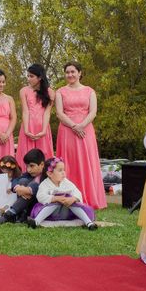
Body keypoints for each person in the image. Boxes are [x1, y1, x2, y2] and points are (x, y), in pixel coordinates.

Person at [55, 61, 106, 209]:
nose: (70, 75)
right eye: (67, 72)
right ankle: (67, 196)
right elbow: (59, 113)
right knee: (68, 162)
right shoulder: (60, 92)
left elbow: (93, 112)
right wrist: (73, 126)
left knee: (86, 161)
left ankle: (89, 196)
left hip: (85, 131)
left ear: (79, 73)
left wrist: (81, 125)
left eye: (73, 72)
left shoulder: (90, 91)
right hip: (67, 131)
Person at [27, 157, 97, 230]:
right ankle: (36, 222)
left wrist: (73, 199)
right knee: (56, 201)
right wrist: (55, 198)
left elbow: (76, 191)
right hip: (51, 214)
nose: (63, 172)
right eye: (60, 170)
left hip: (66, 213)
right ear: (50, 173)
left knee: (71, 201)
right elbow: (40, 196)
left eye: (64, 170)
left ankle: (89, 223)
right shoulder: (45, 184)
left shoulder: (66, 182)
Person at [16, 64, 54, 168]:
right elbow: (25, 111)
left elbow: (47, 113)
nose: (29, 78)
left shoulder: (50, 92)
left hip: (43, 128)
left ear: (40, 77)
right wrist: (26, 129)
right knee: (26, 153)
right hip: (28, 127)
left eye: (31, 76)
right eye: (28, 76)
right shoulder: (23, 91)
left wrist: (44, 130)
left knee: (44, 154)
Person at [0, 148, 45, 224]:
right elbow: (16, 180)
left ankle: (10, 214)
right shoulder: (28, 174)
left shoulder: (47, 174)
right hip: (26, 205)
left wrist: (28, 190)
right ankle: (20, 214)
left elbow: (41, 187)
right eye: (27, 166)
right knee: (22, 181)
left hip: (38, 205)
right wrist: (17, 188)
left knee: (33, 184)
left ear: (42, 164)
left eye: (32, 166)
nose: (29, 170)